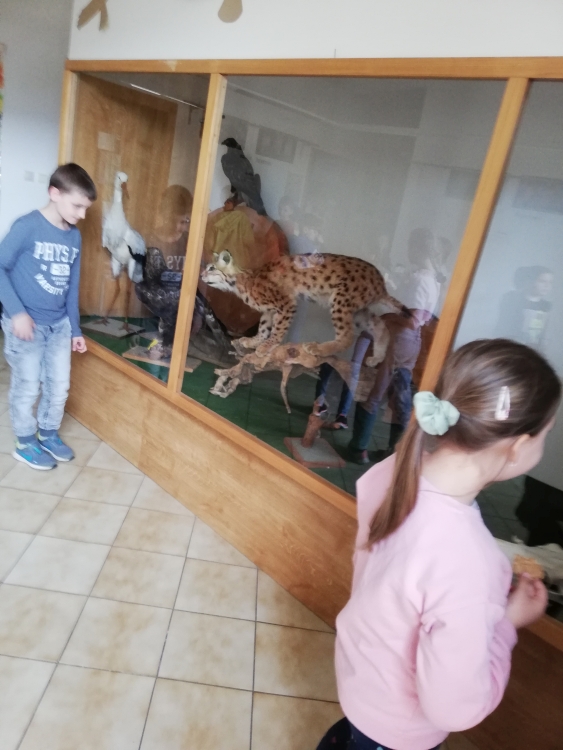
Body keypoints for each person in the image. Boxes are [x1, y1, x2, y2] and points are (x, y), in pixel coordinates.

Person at [317, 338, 560, 750]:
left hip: (361, 684)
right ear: (518, 446)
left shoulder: (395, 470)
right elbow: (454, 709)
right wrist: (506, 624)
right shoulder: (472, 562)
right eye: (546, 435)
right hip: (397, 732)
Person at [0, 163, 96, 470]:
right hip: (25, 324)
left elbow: (72, 285)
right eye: (77, 206)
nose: (82, 215)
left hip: (59, 326)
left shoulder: (74, 236)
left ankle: (48, 434)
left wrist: (75, 329)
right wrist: (17, 313)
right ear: (55, 193)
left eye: (86, 208)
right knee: (28, 385)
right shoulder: (27, 226)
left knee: (59, 386)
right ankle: (25, 442)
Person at [347, 228, 441, 464]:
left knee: (374, 393)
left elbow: (412, 317)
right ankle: (394, 453)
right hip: (413, 341)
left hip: (399, 337)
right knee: (400, 397)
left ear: (417, 248)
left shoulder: (420, 279)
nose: (408, 251)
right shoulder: (433, 278)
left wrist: (388, 312)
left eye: (410, 246)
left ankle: (358, 449)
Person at [495, 265, 553, 351]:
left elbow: (545, 330)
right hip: (510, 346)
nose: (547, 286)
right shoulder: (512, 299)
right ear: (531, 281)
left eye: (550, 282)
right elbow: (504, 325)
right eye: (542, 281)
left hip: (533, 348)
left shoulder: (547, 305)